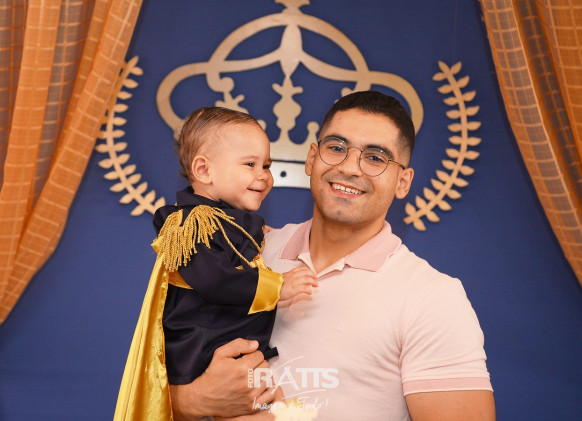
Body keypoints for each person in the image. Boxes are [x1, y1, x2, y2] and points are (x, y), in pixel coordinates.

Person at [170, 91, 495, 420]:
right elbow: (157, 366)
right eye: (337, 148)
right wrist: (194, 400)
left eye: (375, 158)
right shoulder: (244, 253)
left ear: (403, 182)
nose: (350, 168)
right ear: (312, 159)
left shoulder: (431, 298)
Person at [114, 107, 317, 421]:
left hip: (226, 337)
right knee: (246, 400)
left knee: (265, 390)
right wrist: (278, 286)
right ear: (204, 170)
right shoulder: (192, 223)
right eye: (250, 164)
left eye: (266, 165)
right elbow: (215, 280)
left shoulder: (226, 221)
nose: (263, 175)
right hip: (204, 343)